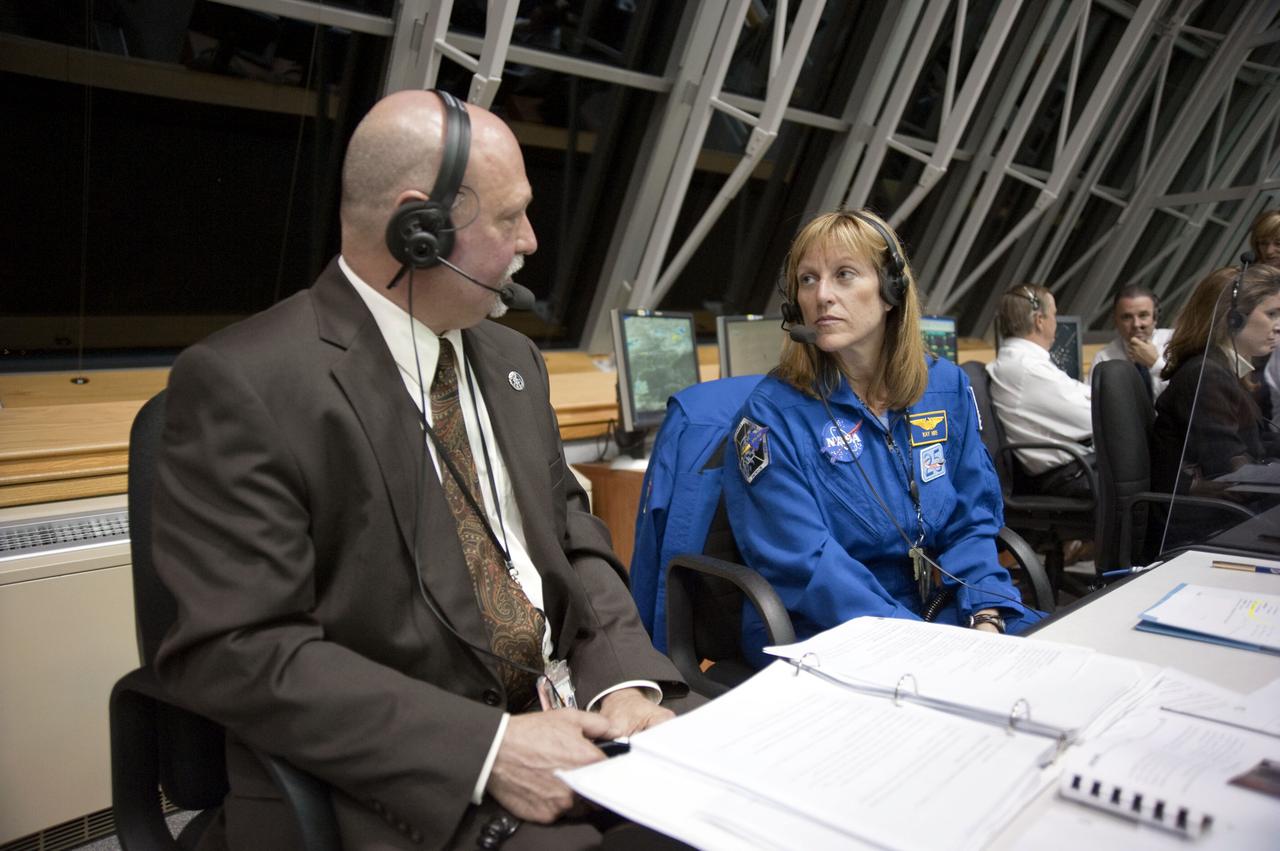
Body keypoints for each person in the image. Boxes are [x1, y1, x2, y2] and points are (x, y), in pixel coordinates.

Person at [151, 90, 688, 850]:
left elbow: (571, 534)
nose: (531, 240)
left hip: (572, 709)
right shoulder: (245, 383)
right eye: (510, 218)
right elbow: (238, 649)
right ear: (419, 232)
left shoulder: (511, 361)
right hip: (406, 770)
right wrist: (487, 748)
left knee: (761, 797)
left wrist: (623, 679)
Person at [721, 210, 1038, 667]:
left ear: (892, 290)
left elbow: (971, 519)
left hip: (947, 609)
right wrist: (919, 645)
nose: (822, 295)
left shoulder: (945, 387)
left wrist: (985, 614)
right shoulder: (770, 416)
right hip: (830, 628)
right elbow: (807, 566)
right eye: (808, 280)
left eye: (844, 275)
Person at [1151, 264, 1280, 500]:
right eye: (1272, 314)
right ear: (1232, 319)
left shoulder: (1220, 368)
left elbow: (1255, 444)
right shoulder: (1207, 375)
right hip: (1200, 523)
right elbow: (1234, 476)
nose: (1279, 325)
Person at [986, 284, 1094, 498]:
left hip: (1073, 468)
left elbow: (1078, 393)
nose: (1056, 321)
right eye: (1054, 314)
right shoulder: (1027, 368)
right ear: (1039, 320)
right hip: (1070, 475)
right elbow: (1093, 418)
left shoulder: (1023, 362)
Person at [1090, 284, 1174, 400]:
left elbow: (1190, 392)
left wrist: (1155, 364)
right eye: (1127, 317)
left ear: (1155, 317)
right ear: (1116, 321)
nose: (1136, 324)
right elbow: (1094, 404)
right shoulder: (1104, 358)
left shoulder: (1175, 342)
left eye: (1143, 315)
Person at [1250, 209, 1280, 419]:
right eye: (1263, 243)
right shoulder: (1246, 283)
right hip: (1249, 370)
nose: (1269, 251)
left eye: (1278, 243)